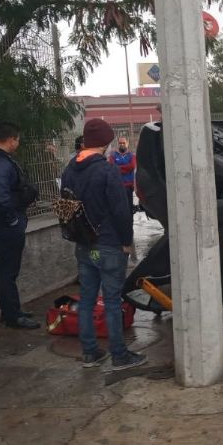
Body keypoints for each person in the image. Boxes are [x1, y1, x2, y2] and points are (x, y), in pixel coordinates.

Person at [61, 119, 146, 370]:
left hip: (83, 245)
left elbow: (66, 206)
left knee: (86, 299)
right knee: (111, 300)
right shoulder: (106, 171)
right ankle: (119, 355)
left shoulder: (69, 169)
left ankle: (90, 353)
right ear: (106, 143)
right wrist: (126, 242)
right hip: (109, 245)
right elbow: (121, 210)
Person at [0, 122, 40, 329]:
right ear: (11, 139)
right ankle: (13, 316)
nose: (18, 143)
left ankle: (12, 310)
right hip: (6, 222)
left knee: (8, 269)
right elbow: (1, 195)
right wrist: (12, 219)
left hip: (4, 220)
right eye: (17, 140)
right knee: (8, 270)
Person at [109, 136, 137, 220]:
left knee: (129, 209)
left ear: (127, 144)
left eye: (123, 143)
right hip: (117, 186)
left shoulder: (132, 156)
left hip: (128, 187)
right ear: (118, 144)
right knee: (118, 209)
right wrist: (126, 168)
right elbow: (112, 167)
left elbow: (132, 166)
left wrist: (119, 168)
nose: (122, 145)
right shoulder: (113, 156)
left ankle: (130, 226)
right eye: (120, 143)